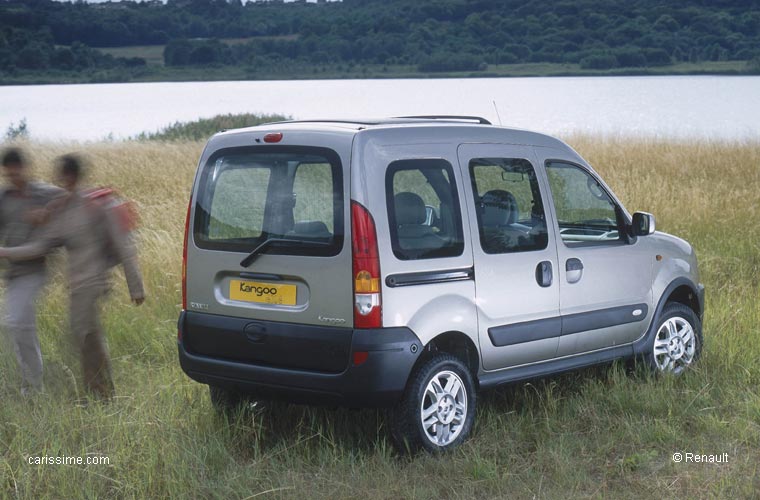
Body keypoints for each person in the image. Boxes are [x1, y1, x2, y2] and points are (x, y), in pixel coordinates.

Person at [0, 154, 145, 400]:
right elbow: (40, 245)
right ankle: (99, 392)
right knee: (84, 336)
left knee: (85, 334)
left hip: (94, 281)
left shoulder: (98, 206)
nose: (60, 182)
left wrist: (136, 286)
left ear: (71, 176)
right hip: (77, 285)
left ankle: (100, 394)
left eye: (63, 176)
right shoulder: (65, 210)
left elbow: (123, 246)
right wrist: (6, 252)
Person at [0, 147, 64, 395]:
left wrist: (48, 213)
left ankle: (32, 385)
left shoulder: (42, 192)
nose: (14, 177)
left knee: (15, 322)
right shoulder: (4, 198)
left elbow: (71, 198)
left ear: (25, 169)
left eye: (17, 172)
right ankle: (33, 386)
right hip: (14, 272)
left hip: (36, 269)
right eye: (9, 174)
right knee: (21, 327)